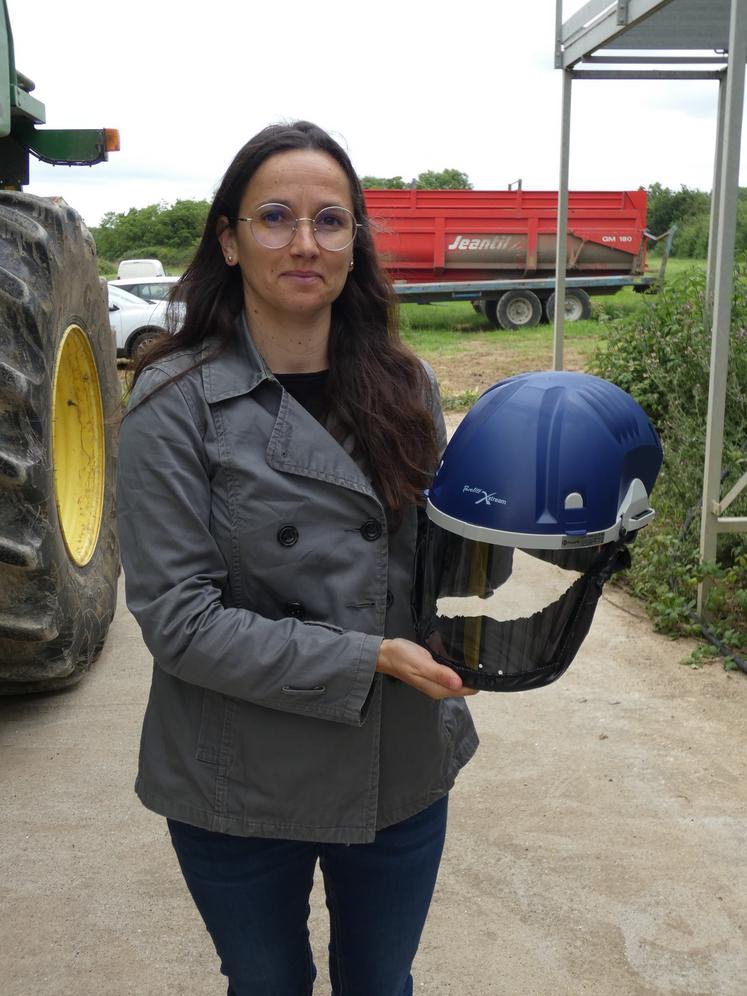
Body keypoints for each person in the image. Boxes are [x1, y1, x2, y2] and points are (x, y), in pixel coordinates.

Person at [117, 120, 479, 996]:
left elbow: (441, 571)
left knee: (381, 982)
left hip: (395, 763)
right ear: (230, 240)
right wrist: (368, 657)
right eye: (275, 217)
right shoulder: (173, 401)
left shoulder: (408, 386)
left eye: (330, 220)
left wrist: (540, 524)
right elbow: (179, 621)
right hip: (237, 778)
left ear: (355, 242)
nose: (304, 243)